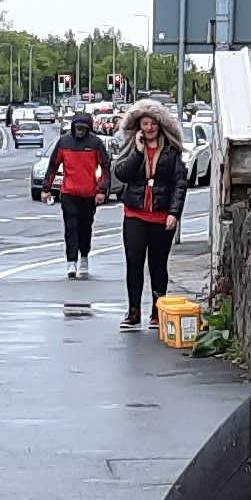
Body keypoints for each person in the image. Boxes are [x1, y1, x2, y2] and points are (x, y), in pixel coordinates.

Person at [107, 99, 190, 330]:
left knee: (158, 264)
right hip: (134, 214)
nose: (149, 128)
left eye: (153, 123)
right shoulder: (132, 147)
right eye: (145, 123)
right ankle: (133, 311)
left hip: (160, 216)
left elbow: (179, 184)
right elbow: (122, 174)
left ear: (160, 125)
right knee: (134, 263)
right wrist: (138, 151)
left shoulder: (171, 152)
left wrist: (174, 213)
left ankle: (157, 310)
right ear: (139, 126)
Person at [33, 111, 111, 278]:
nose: (80, 132)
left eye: (83, 129)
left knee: (85, 228)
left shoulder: (96, 144)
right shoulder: (64, 142)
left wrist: (101, 191)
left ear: (88, 129)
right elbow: (53, 166)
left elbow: (105, 168)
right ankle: (71, 261)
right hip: (69, 193)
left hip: (89, 194)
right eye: (77, 128)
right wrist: (46, 189)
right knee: (71, 228)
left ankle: (84, 256)